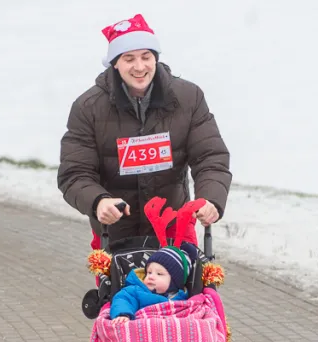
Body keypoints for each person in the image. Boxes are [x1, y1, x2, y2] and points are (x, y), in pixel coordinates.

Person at [58, 13, 232, 249]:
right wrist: (99, 201)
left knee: (186, 286)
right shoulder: (88, 108)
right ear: (115, 63)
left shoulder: (188, 98)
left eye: (145, 57)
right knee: (124, 288)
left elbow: (210, 156)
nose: (139, 67)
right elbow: (75, 172)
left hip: (174, 227)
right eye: (129, 58)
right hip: (116, 231)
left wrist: (210, 199)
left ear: (156, 59)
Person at [109, 243, 197, 324]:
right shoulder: (136, 290)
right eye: (149, 272)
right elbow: (123, 300)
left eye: (159, 274)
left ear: (175, 282)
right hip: (142, 328)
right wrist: (124, 314)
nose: (151, 276)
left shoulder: (181, 299)